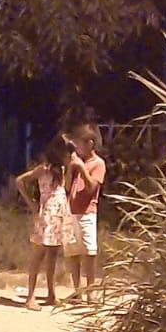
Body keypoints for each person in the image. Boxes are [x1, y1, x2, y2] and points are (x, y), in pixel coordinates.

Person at [15, 136, 71, 307]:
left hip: (59, 213)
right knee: (38, 254)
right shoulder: (43, 168)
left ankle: (51, 294)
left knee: (53, 254)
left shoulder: (61, 169)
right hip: (47, 213)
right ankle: (30, 296)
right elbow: (19, 181)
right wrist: (32, 203)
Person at [63, 123, 106, 303]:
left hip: (87, 212)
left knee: (89, 251)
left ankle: (91, 291)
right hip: (70, 210)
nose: (78, 148)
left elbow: (91, 188)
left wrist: (81, 167)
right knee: (72, 251)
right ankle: (77, 289)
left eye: (80, 144)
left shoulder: (98, 164)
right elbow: (66, 187)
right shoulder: (75, 163)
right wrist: (71, 170)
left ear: (90, 143)